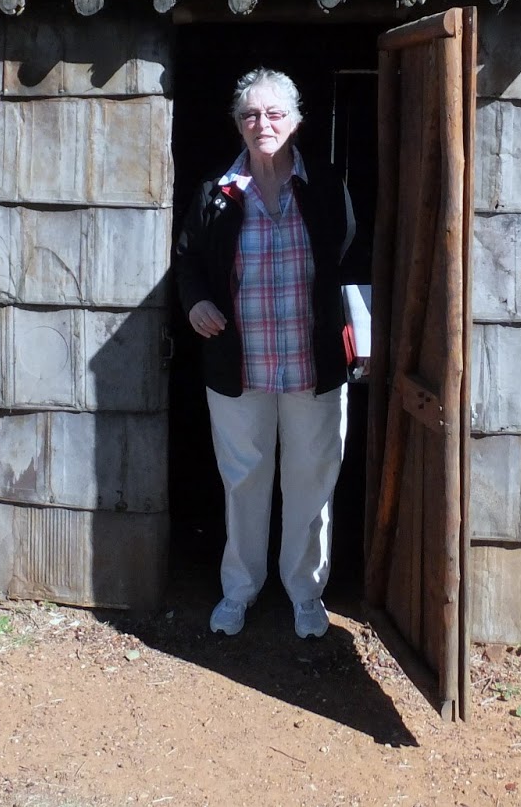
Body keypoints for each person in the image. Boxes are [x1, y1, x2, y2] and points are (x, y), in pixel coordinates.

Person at [174, 68, 367, 640]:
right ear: (238, 124)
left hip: (313, 366)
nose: (263, 123)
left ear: (297, 122)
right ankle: (240, 589)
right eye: (251, 114)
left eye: (275, 113)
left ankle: (305, 592)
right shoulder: (216, 191)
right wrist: (196, 303)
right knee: (244, 481)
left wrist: (360, 337)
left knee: (311, 481)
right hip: (241, 364)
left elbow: (354, 261)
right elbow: (187, 260)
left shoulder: (327, 185)